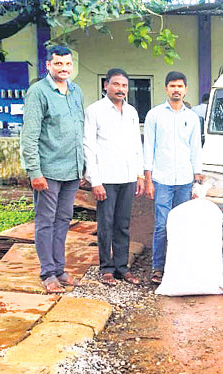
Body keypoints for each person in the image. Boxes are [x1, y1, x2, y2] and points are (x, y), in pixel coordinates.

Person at [20, 45, 84, 293]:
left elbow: (79, 130)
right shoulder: (38, 92)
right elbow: (30, 136)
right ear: (48, 65)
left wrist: (83, 167)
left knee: (63, 220)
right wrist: (35, 172)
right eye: (59, 64)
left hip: (72, 170)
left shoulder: (76, 92)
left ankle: (60, 269)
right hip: (48, 172)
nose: (64, 68)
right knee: (45, 221)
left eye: (68, 64)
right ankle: (48, 273)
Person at [84, 68, 145, 286]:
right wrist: (95, 180)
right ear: (106, 85)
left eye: (124, 86)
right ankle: (106, 268)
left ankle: (122, 267)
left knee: (123, 224)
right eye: (116, 84)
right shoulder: (95, 111)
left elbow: (137, 145)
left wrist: (139, 175)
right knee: (106, 224)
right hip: (106, 179)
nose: (121, 89)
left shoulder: (131, 112)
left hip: (127, 177)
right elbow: (88, 146)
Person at [143, 71, 203, 285]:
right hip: (162, 178)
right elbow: (148, 146)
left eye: (180, 86)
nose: (176, 89)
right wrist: (148, 179)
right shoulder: (155, 115)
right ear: (166, 89)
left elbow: (196, 147)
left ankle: (178, 266)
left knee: (182, 224)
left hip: (185, 180)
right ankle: (157, 268)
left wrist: (198, 176)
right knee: (162, 225)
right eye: (172, 86)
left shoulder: (192, 117)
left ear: (186, 89)